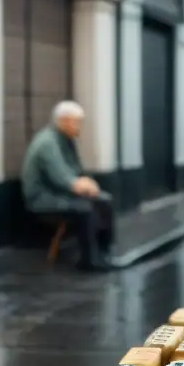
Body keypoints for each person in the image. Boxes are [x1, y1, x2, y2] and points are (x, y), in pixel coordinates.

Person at [22, 101, 114, 272]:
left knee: (105, 200)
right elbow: (62, 179)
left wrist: (89, 185)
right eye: (77, 122)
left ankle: (104, 252)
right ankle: (89, 260)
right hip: (43, 197)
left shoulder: (66, 140)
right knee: (84, 208)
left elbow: (77, 171)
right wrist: (84, 187)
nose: (79, 126)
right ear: (64, 121)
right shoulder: (48, 143)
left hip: (60, 192)